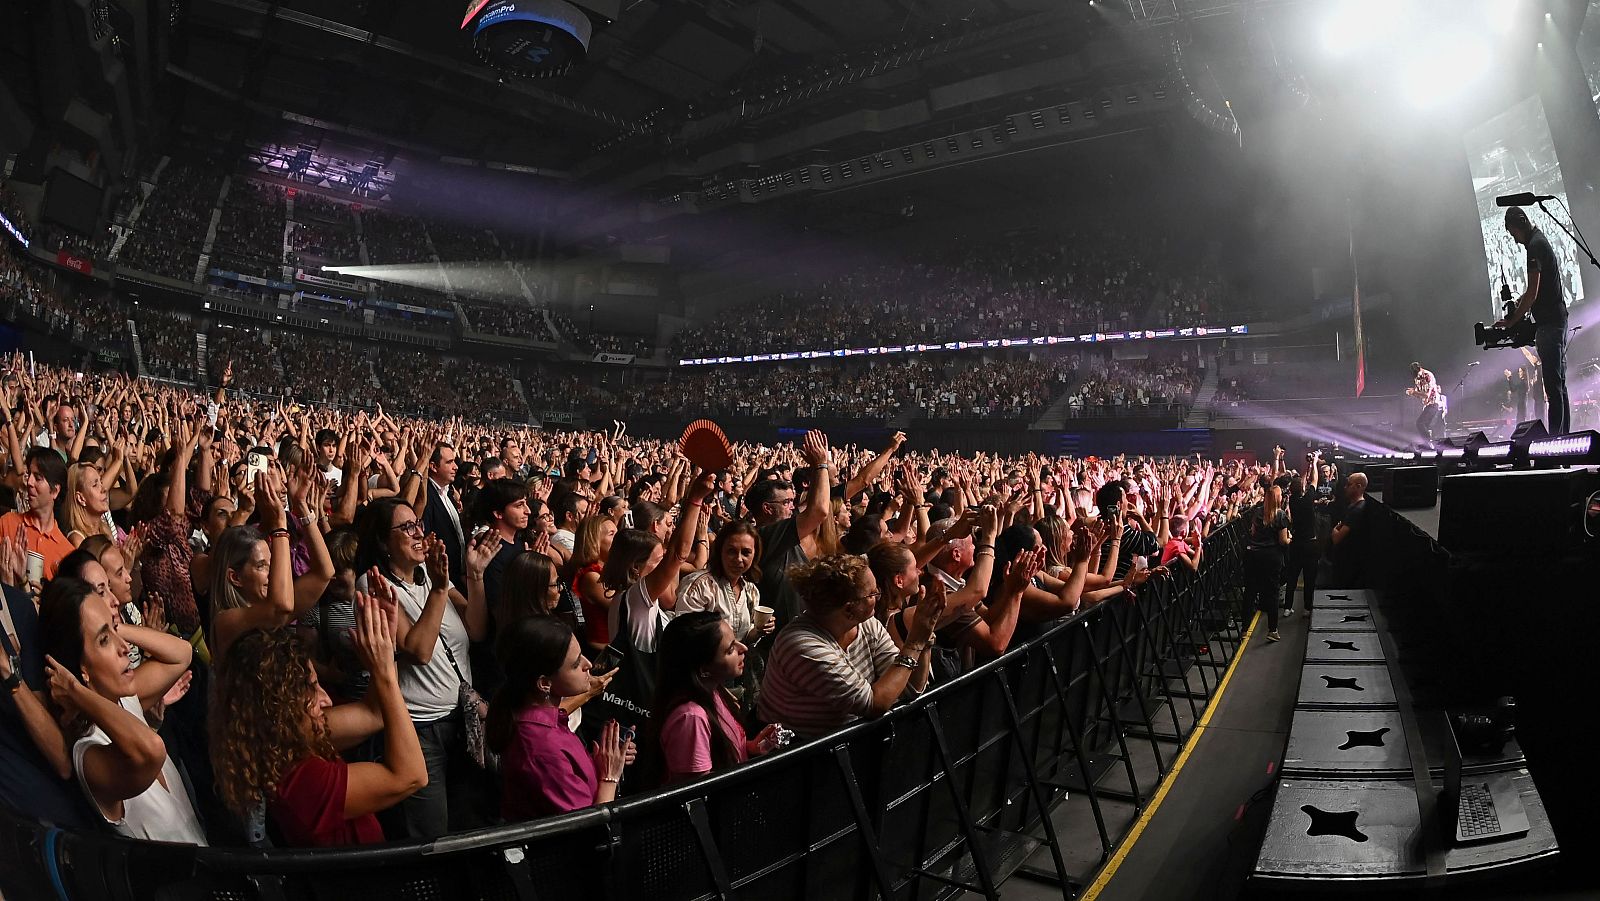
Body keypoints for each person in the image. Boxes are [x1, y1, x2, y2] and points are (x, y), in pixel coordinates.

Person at [211, 592, 428, 847]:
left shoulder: (287, 740)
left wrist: (386, 648)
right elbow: (412, 775)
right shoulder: (302, 781)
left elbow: (374, 713)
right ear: (281, 708)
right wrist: (385, 674)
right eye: (313, 689)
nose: (326, 699)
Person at [354, 497, 488, 839]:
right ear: (384, 542)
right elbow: (418, 650)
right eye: (406, 527)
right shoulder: (372, 585)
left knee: (467, 819)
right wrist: (440, 590)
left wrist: (474, 576)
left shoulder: (430, 575)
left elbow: (476, 629)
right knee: (430, 831)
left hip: (460, 719)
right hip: (419, 729)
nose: (418, 533)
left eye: (418, 524)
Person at [37, 576, 204, 843]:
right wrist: (76, 692)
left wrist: (116, 627)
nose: (124, 647)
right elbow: (151, 751)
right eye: (104, 640)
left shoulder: (123, 697)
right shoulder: (88, 753)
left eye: (115, 629)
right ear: (80, 669)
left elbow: (182, 654)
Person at [758, 554, 945, 741]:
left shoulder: (867, 624)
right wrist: (915, 642)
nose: (878, 596)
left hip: (845, 745)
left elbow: (908, 686)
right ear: (848, 609)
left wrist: (924, 637)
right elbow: (875, 704)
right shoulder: (804, 646)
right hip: (798, 756)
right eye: (872, 593)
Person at [488, 616, 633, 819]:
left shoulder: (548, 722)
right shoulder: (541, 747)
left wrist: (603, 763)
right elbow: (589, 828)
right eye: (575, 664)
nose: (588, 664)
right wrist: (610, 777)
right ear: (544, 683)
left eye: (582, 655)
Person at [645, 611, 781, 786]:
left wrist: (750, 747)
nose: (743, 648)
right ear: (703, 668)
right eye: (730, 649)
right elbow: (697, 792)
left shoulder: (714, 691)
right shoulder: (691, 718)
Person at [1497, 205, 1569, 435]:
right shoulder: (1538, 242)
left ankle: (1557, 442)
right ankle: (1562, 438)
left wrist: (1512, 320)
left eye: (1513, 232)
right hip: (1555, 320)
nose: (1515, 239)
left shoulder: (1535, 246)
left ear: (1521, 223)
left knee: (1552, 386)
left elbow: (1533, 293)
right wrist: (1520, 302)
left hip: (1550, 324)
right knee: (1558, 385)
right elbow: (1536, 290)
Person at [0, 446, 74, 584]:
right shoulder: (7, 523)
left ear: (55, 491)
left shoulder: (67, 553)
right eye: (29, 474)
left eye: (38, 478)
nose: (29, 482)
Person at [1243, 478, 1291, 643]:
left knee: (1250, 591)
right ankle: (1272, 630)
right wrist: (1290, 538)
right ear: (1279, 498)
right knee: (1272, 593)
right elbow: (1283, 541)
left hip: (1254, 555)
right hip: (1271, 556)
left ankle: (1244, 629)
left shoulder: (1256, 512)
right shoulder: (1280, 515)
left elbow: (1253, 532)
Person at [1282, 470, 1318, 618]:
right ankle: (1307, 608)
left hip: (1296, 544)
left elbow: (1305, 483)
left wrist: (1308, 469)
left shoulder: (1293, 501)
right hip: (1310, 543)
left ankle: (1288, 607)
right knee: (1309, 578)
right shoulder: (1308, 499)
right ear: (1303, 488)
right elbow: (1314, 481)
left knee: (1292, 576)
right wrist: (1314, 463)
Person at [1329, 472, 1369, 588]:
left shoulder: (1357, 511)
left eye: (1349, 484)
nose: (1345, 487)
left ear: (1359, 486)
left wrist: (1334, 530)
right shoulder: (1354, 507)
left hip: (1348, 565)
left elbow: (1337, 538)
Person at [1406, 362, 1445, 444]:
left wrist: (1413, 392)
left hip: (1434, 403)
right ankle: (1428, 444)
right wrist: (1412, 392)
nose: (1417, 376)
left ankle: (1428, 443)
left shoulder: (1427, 376)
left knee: (1420, 423)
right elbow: (1419, 395)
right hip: (1427, 405)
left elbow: (1427, 395)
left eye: (1417, 373)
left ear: (1420, 369)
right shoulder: (1417, 378)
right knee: (1424, 426)